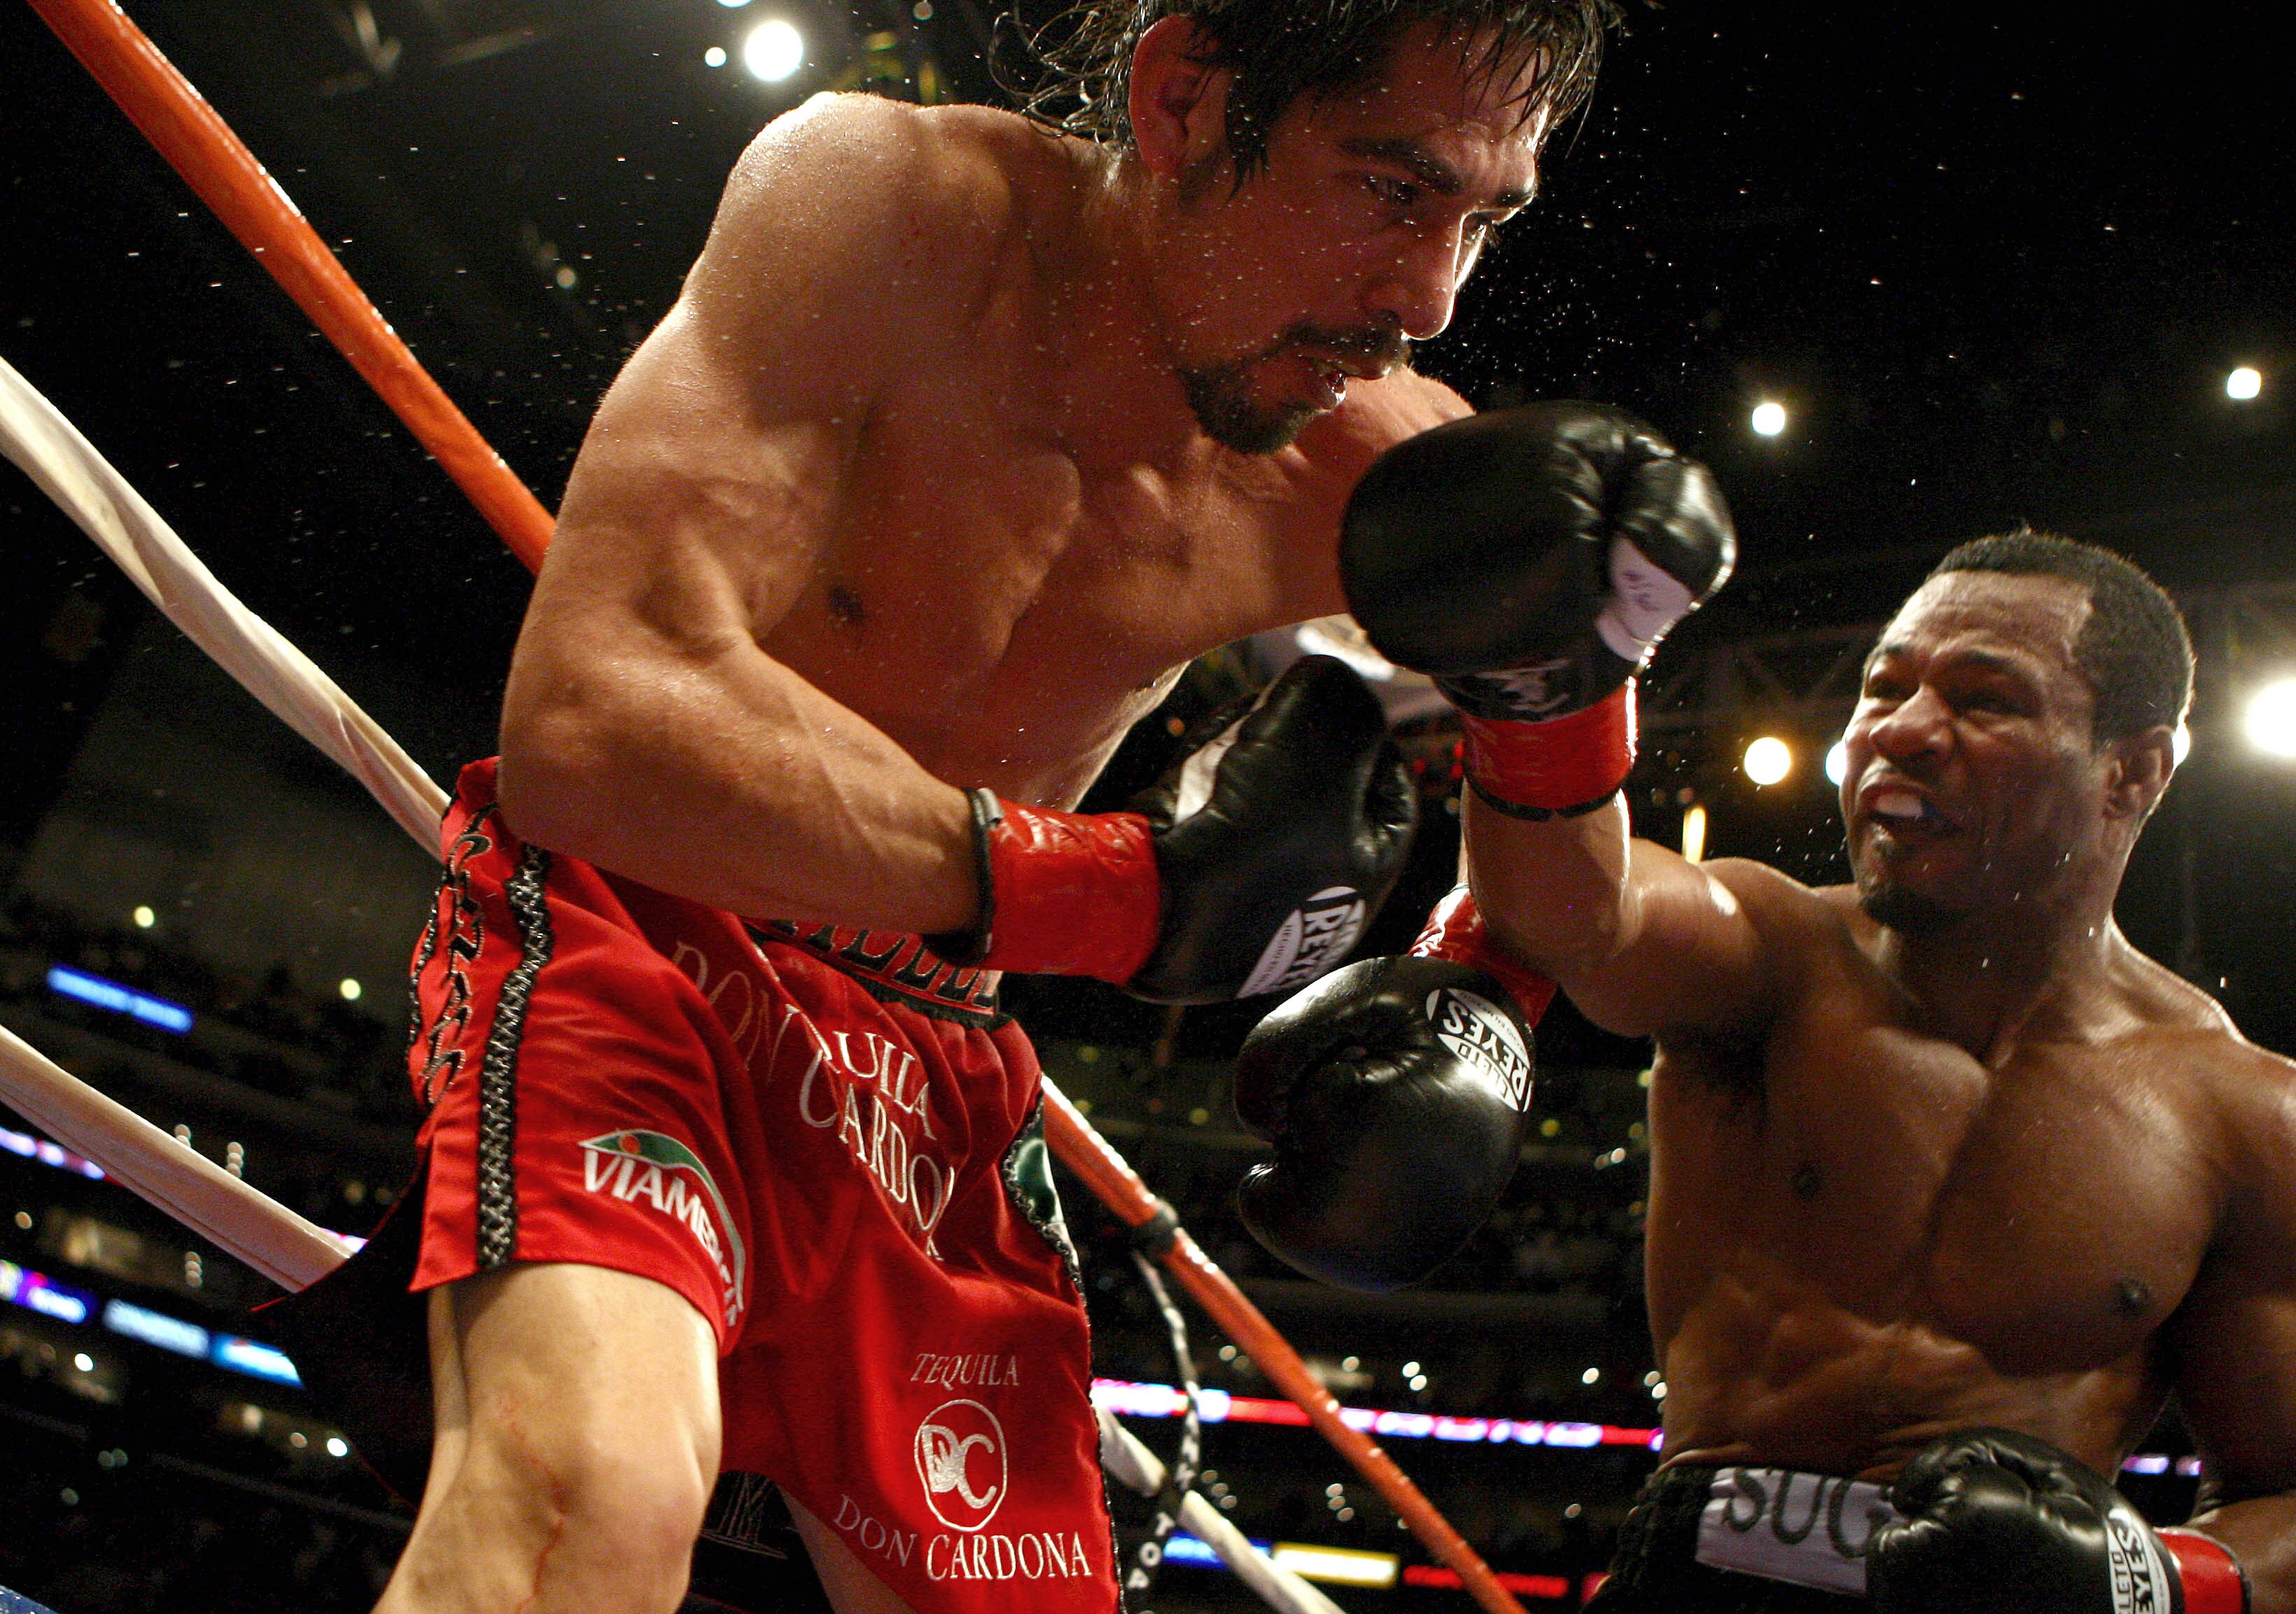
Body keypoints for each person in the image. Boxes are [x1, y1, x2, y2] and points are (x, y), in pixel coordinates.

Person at [368, 6, 1622, 1613]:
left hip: (934, 1050)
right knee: (588, 1495)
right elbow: (589, 717)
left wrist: (1488, 976)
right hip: (645, 929)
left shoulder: (1368, 466)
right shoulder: (892, 211)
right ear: (1183, 96)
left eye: (1481, 222)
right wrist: (1113, 895)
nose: (1431, 297)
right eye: (1393, 190)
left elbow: (1570, 858)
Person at [1238, 406, 2296, 1613]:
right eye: (1883, 687)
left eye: (1983, 698)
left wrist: (2146, 1577)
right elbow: (1580, 913)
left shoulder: (2239, 1116)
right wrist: (1547, 688)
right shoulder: (1777, 955)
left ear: (2130, 770)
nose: (1898, 730)